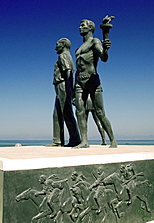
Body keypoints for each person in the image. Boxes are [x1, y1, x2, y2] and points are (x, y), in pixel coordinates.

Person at [74, 19, 117, 148]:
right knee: (79, 112)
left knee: (100, 113)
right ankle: (84, 141)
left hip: (92, 80)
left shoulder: (95, 41)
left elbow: (104, 58)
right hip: (79, 81)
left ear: (90, 28)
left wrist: (106, 49)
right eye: (80, 25)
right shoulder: (78, 48)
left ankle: (113, 140)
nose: (80, 27)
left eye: (83, 25)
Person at [47, 38, 81, 147]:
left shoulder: (63, 55)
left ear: (63, 45)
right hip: (61, 86)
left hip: (63, 85)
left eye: (57, 44)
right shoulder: (65, 55)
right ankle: (58, 140)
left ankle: (74, 139)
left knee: (66, 112)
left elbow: (68, 71)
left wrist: (69, 88)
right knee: (57, 114)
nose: (55, 47)